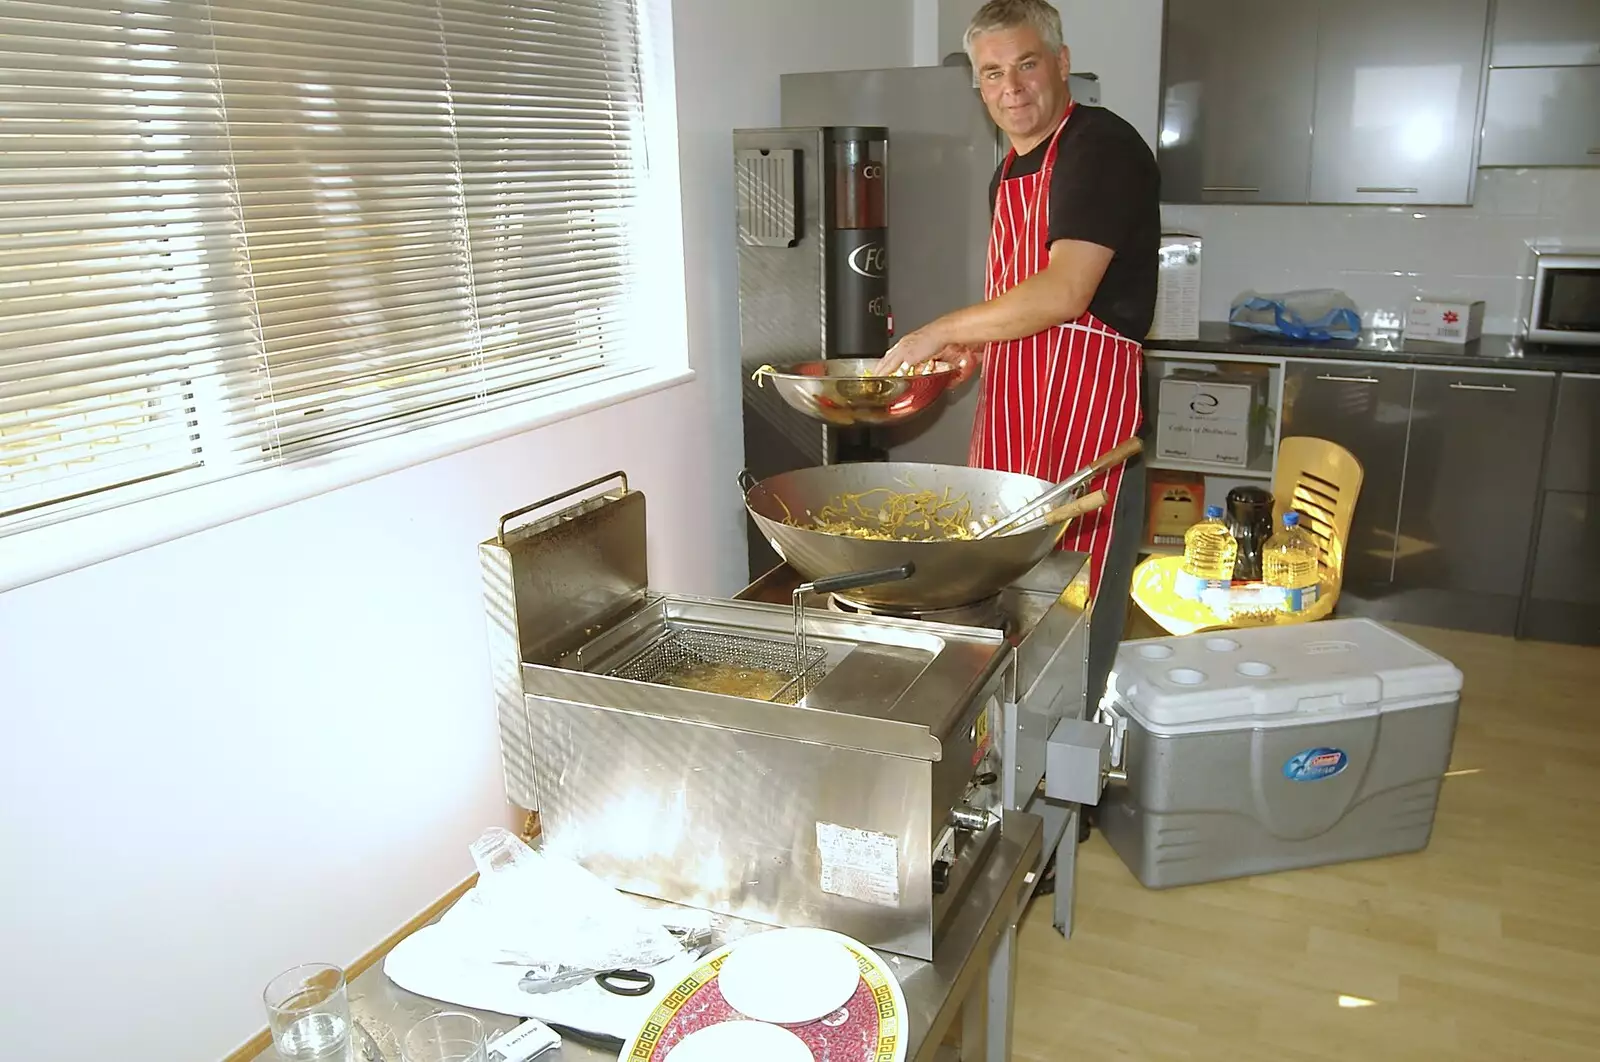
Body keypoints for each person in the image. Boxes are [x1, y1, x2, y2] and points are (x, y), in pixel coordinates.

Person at [875, 0, 1159, 609]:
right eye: (994, 72)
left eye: (1026, 64)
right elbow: (1019, 295)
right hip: (1012, 427)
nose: (1013, 88)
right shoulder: (1006, 170)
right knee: (1008, 618)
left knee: (1070, 628)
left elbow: (1064, 292)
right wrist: (974, 342)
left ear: (1061, 63)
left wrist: (933, 332)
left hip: (1087, 435)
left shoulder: (1100, 146)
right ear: (978, 85)